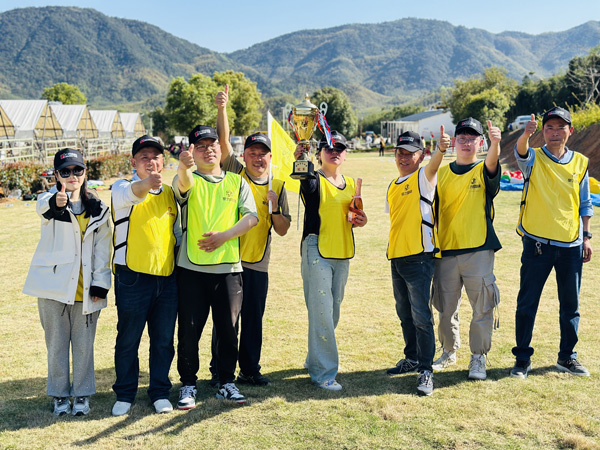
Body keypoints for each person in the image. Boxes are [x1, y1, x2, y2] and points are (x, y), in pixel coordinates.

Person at [208, 86, 291, 386]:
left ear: (271, 156)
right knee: (227, 321)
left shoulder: (278, 186)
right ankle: (219, 369)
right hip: (229, 260)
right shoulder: (234, 172)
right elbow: (222, 142)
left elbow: (282, 230)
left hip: (258, 263)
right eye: (252, 153)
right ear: (245, 155)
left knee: (253, 320)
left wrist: (275, 208)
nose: (258, 159)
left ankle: (250, 369)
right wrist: (222, 107)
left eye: (263, 154)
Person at [173, 124, 258, 408]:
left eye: (212, 145)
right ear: (193, 153)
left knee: (228, 330)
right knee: (189, 330)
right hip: (192, 269)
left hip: (229, 268)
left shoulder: (236, 181)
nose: (208, 150)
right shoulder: (189, 178)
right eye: (201, 146)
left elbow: (251, 218)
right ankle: (188, 385)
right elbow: (182, 185)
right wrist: (183, 168)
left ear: (220, 149)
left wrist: (224, 237)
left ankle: (226, 382)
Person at [23, 148, 111, 416]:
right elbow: (43, 208)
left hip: (87, 292)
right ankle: (60, 396)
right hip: (53, 290)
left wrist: (100, 283)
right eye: (65, 171)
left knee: (84, 347)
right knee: (57, 345)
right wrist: (56, 203)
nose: (72, 176)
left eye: (78, 170)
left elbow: (102, 250)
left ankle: (82, 396)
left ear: (86, 172)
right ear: (56, 175)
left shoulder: (99, 208)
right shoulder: (48, 201)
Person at [510, 107, 593, 379]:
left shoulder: (580, 162)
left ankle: (567, 357)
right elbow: (520, 152)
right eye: (550, 128)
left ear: (570, 131)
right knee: (527, 303)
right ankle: (522, 359)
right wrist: (525, 135)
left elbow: (585, 202)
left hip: (571, 245)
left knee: (571, 305)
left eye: (561, 127)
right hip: (537, 244)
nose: (555, 132)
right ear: (543, 132)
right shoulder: (533, 157)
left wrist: (587, 236)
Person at [110, 135, 181, 416]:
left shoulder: (169, 193)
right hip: (132, 276)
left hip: (166, 277)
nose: (151, 162)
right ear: (133, 162)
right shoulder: (122, 186)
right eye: (144, 158)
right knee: (129, 338)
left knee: (163, 339)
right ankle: (125, 393)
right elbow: (133, 193)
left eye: (156, 157)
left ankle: (160, 391)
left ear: (163, 161)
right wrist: (147, 184)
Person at [294, 131, 367, 391]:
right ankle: (324, 372)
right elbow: (305, 181)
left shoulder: (349, 183)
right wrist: (301, 158)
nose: (334, 151)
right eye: (328, 147)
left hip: (342, 251)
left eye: (339, 148)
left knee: (332, 310)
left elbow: (355, 215)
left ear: (346, 154)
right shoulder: (313, 178)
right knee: (322, 311)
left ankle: (315, 356)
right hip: (316, 249)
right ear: (319, 153)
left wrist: (362, 220)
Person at [431, 118, 502, 380]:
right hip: (446, 251)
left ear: (480, 143)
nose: (466, 141)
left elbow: (493, 163)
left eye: (472, 137)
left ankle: (478, 358)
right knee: (446, 308)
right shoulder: (442, 173)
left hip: (479, 249)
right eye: (461, 137)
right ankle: (448, 352)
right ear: (454, 141)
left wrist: (496, 143)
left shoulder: (484, 168)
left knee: (482, 306)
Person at [385, 128, 450, 396]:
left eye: (410, 153)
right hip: (397, 257)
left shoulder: (424, 177)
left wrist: (442, 150)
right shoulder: (393, 185)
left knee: (422, 316)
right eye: (400, 152)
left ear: (420, 156)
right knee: (405, 314)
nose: (404, 158)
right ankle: (411, 358)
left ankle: (425, 370)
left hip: (419, 258)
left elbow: (435, 166)